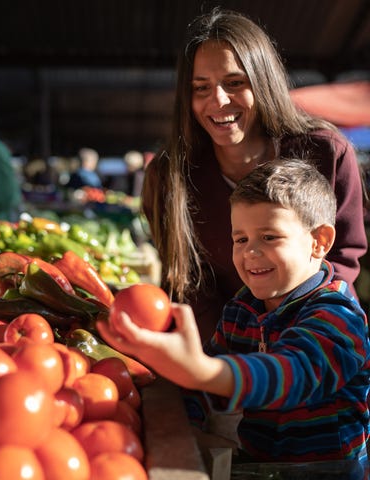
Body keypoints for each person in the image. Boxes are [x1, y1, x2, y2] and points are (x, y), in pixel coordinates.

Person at [98, 159, 370, 466]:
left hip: (327, 474)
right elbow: (204, 384)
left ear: (319, 242)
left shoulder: (338, 315)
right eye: (240, 239)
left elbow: (293, 375)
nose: (250, 252)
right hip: (259, 464)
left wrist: (203, 371)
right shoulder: (242, 309)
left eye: (269, 237)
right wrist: (190, 425)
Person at [141, 8, 368, 344]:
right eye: (200, 88)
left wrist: (293, 343)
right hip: (223, 355)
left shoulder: (328, 152)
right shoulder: (169, 175)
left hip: (317, 343)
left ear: (263, 81)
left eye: (234, 83)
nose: (217, 100)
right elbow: (189, 285)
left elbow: (343, 258)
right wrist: (221, 364)